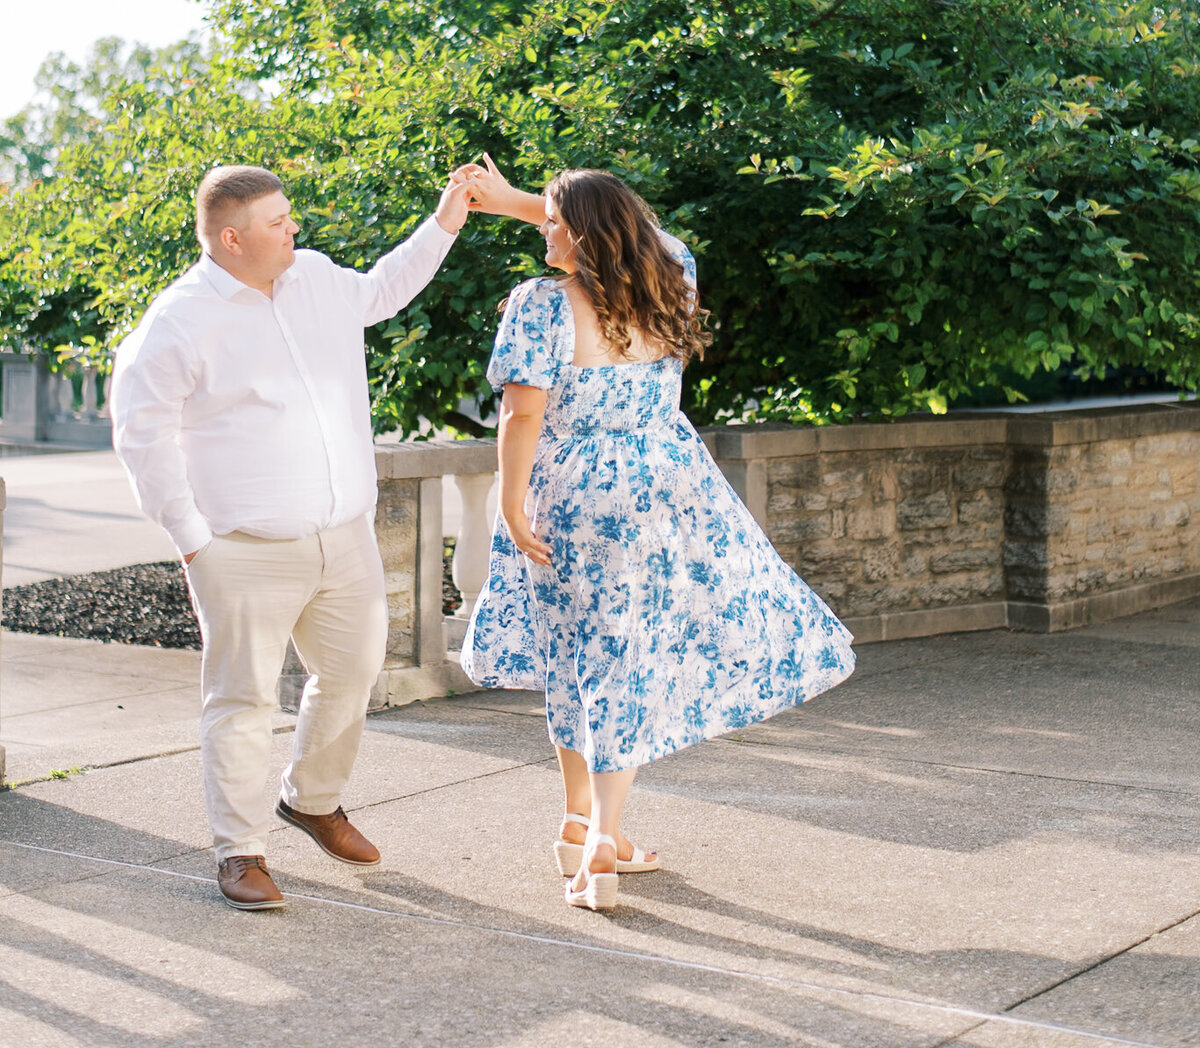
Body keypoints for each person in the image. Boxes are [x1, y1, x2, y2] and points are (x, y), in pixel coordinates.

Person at [459, 159, 856, 910]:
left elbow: (521, 414)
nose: (539, 228)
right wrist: (533, 205)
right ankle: (591, 832)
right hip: (663, 487)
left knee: (577, 656)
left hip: (572, 491)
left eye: (550, 221)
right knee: (626, 660)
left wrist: (512, 506)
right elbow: (659, 240)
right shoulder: (670, 284)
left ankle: (595, 842)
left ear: (580, 236)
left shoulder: (542, 305)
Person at [111, 163, 471, 910]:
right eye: (277, 222)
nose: (294, 229)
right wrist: (191, 538)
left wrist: (444, 222)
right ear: (231, 238)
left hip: (343, 536)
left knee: (352, 672)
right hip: (239, 547)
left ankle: (311, 800)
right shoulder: (177, 321)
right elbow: (141, 436)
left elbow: (381, 290)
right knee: (241, 700)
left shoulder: (314, 278)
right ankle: (239, 852)